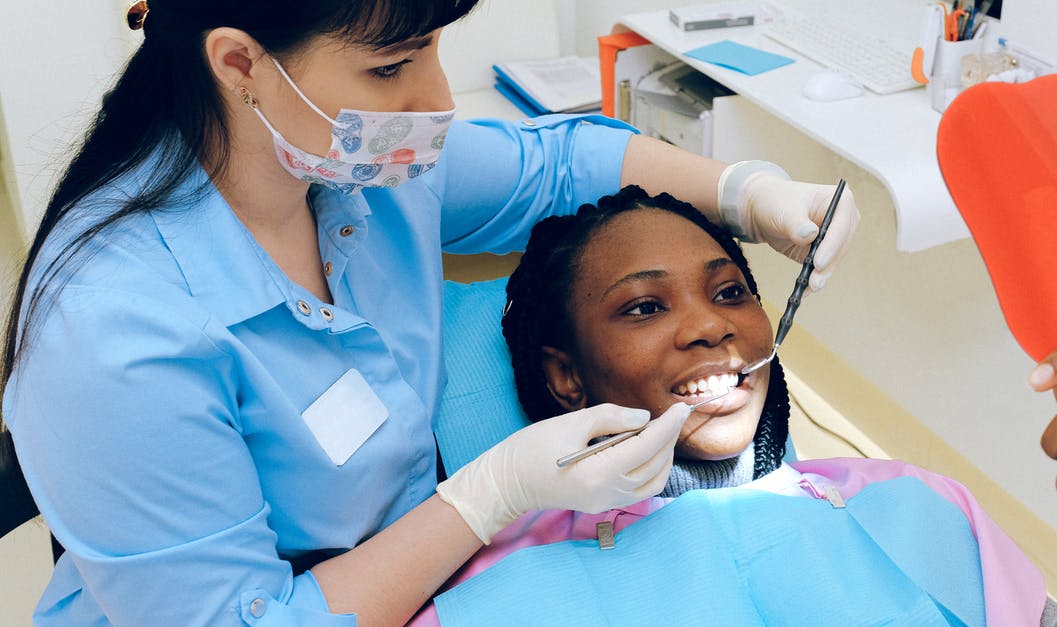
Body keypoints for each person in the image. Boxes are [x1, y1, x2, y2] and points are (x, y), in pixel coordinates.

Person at [0, 2, 862, 625]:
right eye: (389, 68)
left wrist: (748, 193)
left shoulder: (366, 170)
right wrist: (487, 498)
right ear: (239, 62)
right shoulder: (110, 332)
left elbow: (557, 168)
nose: (434, 99)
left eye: (434, 50)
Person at [406, 185, 1057, 624]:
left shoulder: (915, 506)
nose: (710, 322)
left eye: (729, 291)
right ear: (566, 375)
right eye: (643, 307)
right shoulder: (496, 595)